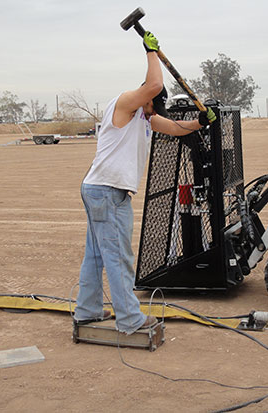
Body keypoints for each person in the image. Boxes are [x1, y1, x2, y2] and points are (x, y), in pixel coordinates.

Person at [73, 31, 216, 334]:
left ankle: (86, 311)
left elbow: (175, 128)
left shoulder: (144, 118)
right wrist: (151, 51)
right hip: (106, 192)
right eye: (154, 106)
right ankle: (130, 319)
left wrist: (200, 123)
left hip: (100, 190)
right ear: (148, 99)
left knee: (97, 254)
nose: (155, 113)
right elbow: (154, 84)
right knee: (118, 257)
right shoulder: (124, 103)